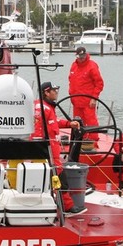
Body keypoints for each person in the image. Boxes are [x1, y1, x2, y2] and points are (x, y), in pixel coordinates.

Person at [32, 81, 83, 214]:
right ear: (46, 92)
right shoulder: (42, 108)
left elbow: (52, 122)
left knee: (55, 176)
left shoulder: (45, 107)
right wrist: (40, 148)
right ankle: (67, 206)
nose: (56, 92)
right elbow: (37, 131)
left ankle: (57, 202)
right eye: (53, 90)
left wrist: (68, 123)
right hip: (47, 150)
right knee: (59, 177)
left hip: (50, 149)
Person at [68, 46, 104, 132]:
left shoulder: (92, 66)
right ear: (76, 56)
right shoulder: (74, 66)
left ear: (86, 55)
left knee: (91, 122)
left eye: (83, 56)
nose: (81, 59)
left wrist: (94, 98)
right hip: (76, 101)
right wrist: (71, 95)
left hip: (88, 101)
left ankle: (93, 140)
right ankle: (79, 140)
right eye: (79, 57)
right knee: (77, 123)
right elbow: (71, 81)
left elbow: (99, 83)